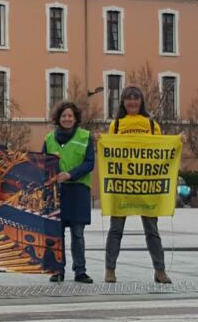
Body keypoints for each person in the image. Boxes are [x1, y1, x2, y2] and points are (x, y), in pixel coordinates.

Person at [104, 85, 172, 285]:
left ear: (141, 102)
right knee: (116, 230)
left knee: (152, 231)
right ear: (123, 102)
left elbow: (161, 150)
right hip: (122, 185)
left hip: (146, 187)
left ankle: (160, 271)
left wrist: (177, 142)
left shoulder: (152, 125)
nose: (132, 102)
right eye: (128, 99)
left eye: (136, 98)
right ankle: (110, 270)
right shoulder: (115, 126)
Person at [43, 101, 94, 284]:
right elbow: (42, 164)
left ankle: (80, 270)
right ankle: (57, 270)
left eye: (70, 116)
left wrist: (70, 174)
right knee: (57, 234)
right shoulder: (49, 138)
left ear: (75, 118)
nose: (67, 119)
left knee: (78, 234)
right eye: (64, 116)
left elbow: (89, 163)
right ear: (58, 118)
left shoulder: (86, 136)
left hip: (78, 191)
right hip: (56, 192)